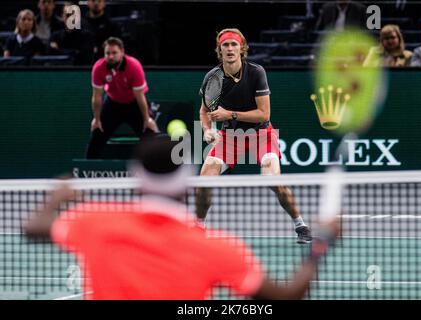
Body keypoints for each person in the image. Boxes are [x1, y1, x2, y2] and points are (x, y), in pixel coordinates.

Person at [24, 134, 339, 300]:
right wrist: (320, 244)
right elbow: (286, 297)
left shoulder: (91, 221)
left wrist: (57, 198)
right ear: (188, 186)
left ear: (137, 178)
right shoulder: (218, 247)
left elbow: (33, 228)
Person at [195, 28, 312, 244]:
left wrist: (228, 114)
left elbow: (264, 113)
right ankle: (198, 227)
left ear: (242, 48)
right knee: (203, 180)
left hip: (261, 135)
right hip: (230, 137)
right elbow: (204, 111)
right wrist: (207, 130)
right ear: (219, 50)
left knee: (272, 179)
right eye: (225, 45)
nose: (230, 48)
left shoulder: (256, 72)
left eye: (234, 44)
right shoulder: (213, 77)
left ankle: (301, 225)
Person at [85, 37, 158, 159]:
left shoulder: (134, 66)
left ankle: (159, 167)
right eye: (107, 53)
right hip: (113, 103)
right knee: (97, 132)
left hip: (134, 103)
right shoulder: (98, 68)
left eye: (114, 53)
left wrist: (146, 119)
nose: (111, 56)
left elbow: (139, 96)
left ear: (122, 53)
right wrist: (96, 119)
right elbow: (97, 96)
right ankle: (87, 171)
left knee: (149, 132)